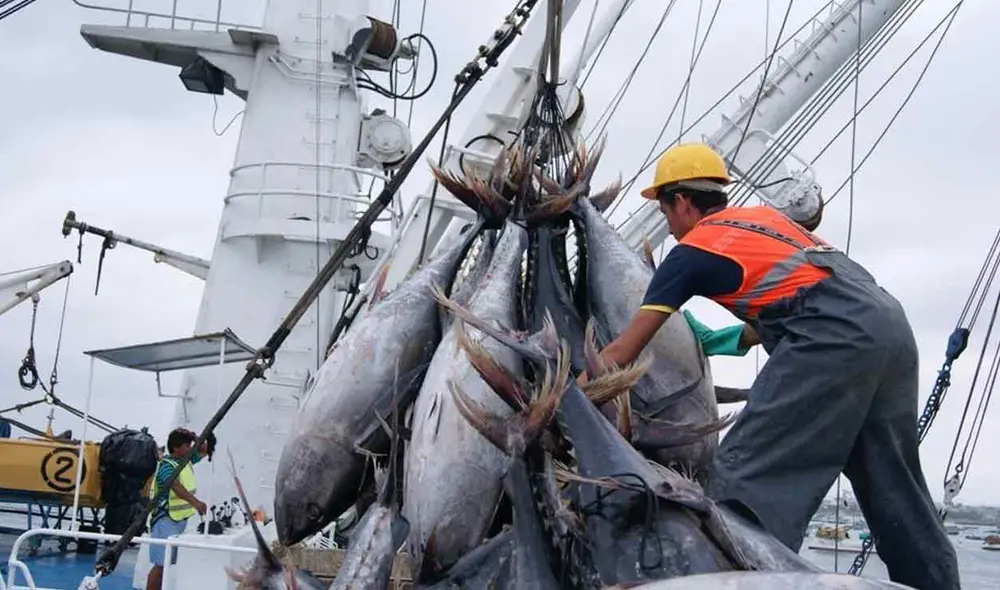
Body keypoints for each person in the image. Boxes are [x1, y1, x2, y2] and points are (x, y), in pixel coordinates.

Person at [577, 142, 959, 589]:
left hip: (834, 337)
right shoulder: (765, 220)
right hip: (889, 327)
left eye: (665, 212)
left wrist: (570, 398)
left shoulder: (690, 251)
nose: (670, 227)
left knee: (742, 481)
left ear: (680, 202)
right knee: (894, 487)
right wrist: (717, 341)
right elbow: (794, 303)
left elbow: (624, 350)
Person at [145, 428, 213, 590]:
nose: (191, 448)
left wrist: (194, 437)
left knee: (167, 565)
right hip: (164, 521)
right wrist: (196, 503)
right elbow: (176, 486)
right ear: (176, 448)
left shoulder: (186, 460)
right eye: (187, 445)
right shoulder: (166, 467)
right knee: (160, 566)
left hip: (178, 520)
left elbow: (206, 449)